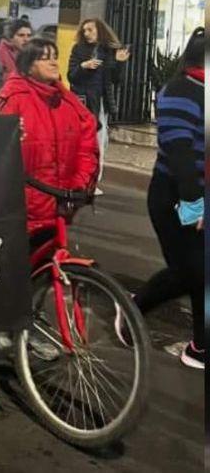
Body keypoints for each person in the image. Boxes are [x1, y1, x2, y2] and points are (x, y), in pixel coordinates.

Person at [117, 28, 205, 369]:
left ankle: (200, 346)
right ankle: (133, 310)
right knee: (191, 270)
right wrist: (195, 204)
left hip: (199, 194)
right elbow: (180, 151)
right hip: (176, 195)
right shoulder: (179, 91)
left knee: (201, 271)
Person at [0, 37, 98, 236]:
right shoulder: (10, 99)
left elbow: (87, 148)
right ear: (28, 66)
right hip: (18, 217)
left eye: (55, 57)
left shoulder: (69, 104)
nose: (54, 63)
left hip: (58, 211)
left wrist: (78, 186)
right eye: (45, 58)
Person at [67, 18, 130, 190]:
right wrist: (83, 66)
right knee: (84, 140)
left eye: (91, 30)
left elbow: (117, 80)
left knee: (100, 141)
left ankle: (94, 181)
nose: (87, 33)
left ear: (99, 30)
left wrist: (120, 63)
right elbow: (71, 76)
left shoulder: (109, 50)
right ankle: (81, 178)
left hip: (102, 101)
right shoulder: (79, 49)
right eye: (85, 30)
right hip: (85, 101)